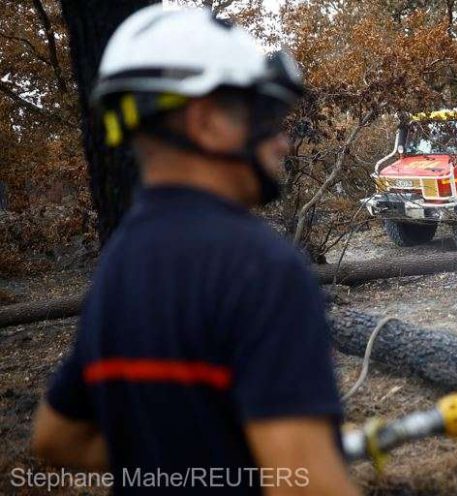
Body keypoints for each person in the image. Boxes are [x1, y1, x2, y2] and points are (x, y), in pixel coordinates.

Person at [30, 5, 359, 495]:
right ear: (206, 122)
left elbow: (56, 439)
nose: (284, 142)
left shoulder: (121, 265)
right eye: (266, 116)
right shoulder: (262, 269)